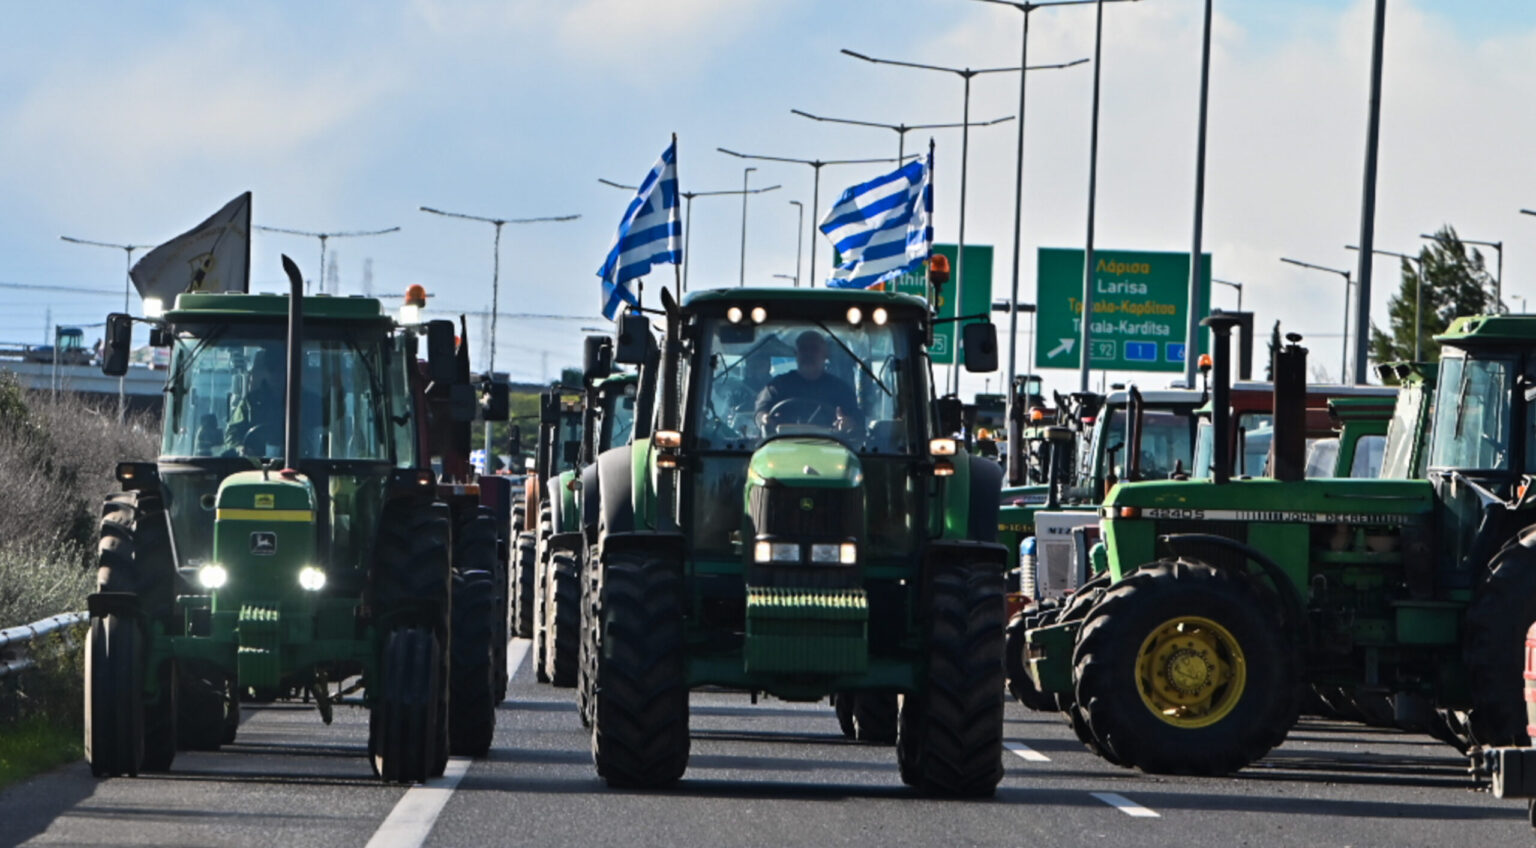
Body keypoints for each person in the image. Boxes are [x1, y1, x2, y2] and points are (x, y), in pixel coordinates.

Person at [755, 330, 861, 432]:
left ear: (825, 355)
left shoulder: (841, 390)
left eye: (814, 349)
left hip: (831, 446)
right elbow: (760, 412)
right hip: (781, 446)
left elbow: (856, 421)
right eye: (803, 349)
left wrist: (848, 423)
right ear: (796, 354)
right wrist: (764, 418)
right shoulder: (777, 386)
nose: (808, 354)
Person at [225, 346, 286, 455]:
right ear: (265, 371)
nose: (276, 374)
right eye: (272, 369)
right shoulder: (250, 402)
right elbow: (232, 433)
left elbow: (324, 424)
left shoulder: (307, 402)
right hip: (253, 466)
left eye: (281, 369)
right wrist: (240, 448)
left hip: (300, 465)